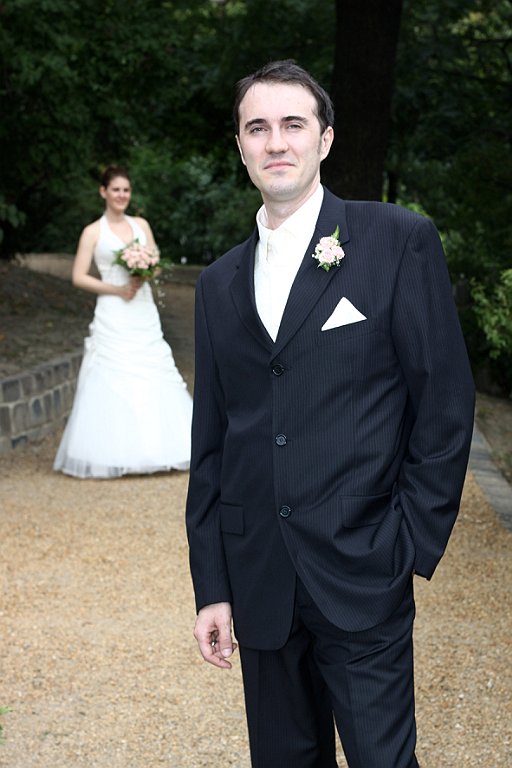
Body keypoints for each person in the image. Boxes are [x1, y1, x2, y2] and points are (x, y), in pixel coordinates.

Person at [186, 60, 475, 768]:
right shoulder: (218, 284)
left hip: (364, 568)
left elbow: (444, 400)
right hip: (259, 577)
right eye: (258, 127)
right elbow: (213, 442)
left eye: (294, 124)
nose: (276, 141)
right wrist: (212, 586)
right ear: (240, 146)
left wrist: (408, 541)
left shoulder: (396, 240)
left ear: (326, 138)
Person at [54, 165, 192, 479]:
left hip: (141, 307)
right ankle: (112, 452)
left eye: (126, 190)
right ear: (103, 192)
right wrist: (117, 289)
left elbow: (157, 263)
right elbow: (78, 276)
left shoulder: (141, 225)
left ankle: (162, 448)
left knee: (153, 368)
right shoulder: (93, 232)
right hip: (113, 309)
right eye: (115, 190)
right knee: (113, 374)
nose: (121, 195)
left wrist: (144, 271)